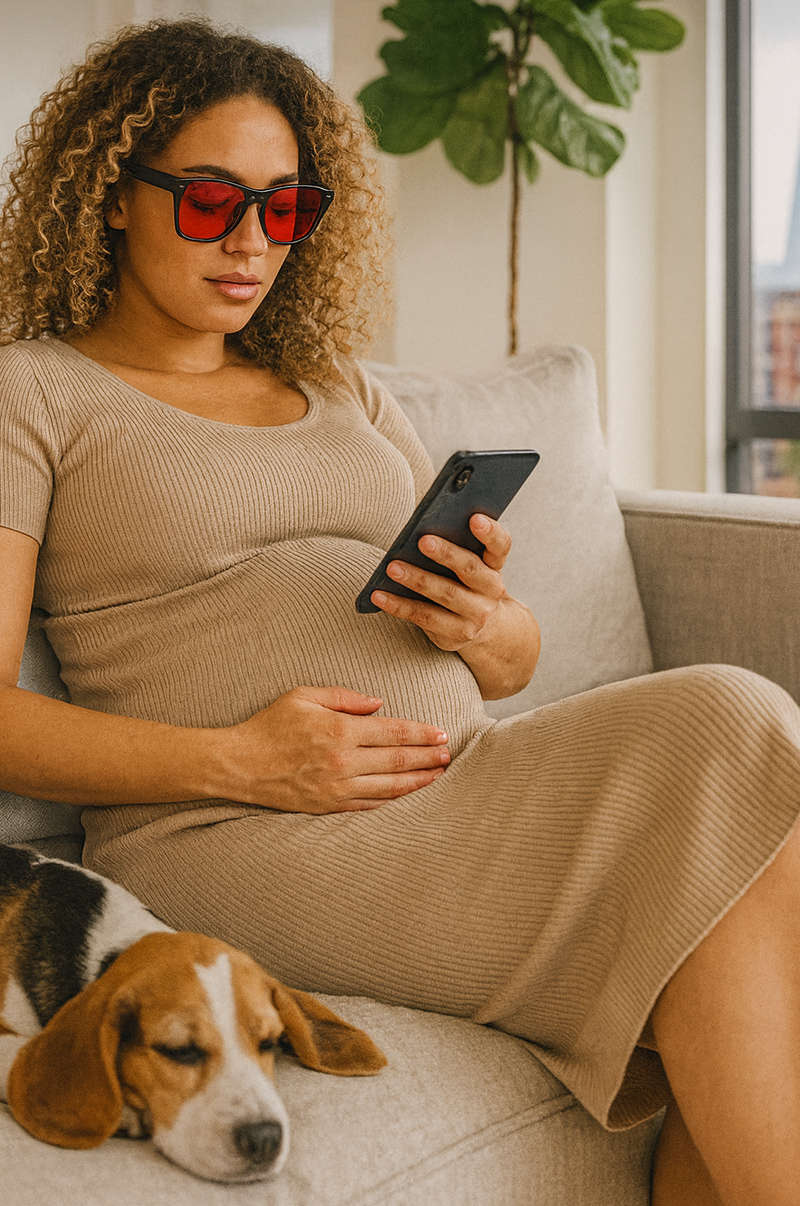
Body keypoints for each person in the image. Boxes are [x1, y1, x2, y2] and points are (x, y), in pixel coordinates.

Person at [0, 19, 798, 1205]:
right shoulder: (37, 392)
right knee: (731, 723)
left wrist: (480, 624)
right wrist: (242, 761)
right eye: (213, 201)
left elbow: (513, 663)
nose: (252, 243)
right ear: (112, 193)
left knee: (738, 884)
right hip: (239, 839)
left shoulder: (337, 383)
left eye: (285, 209)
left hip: (467, 780)